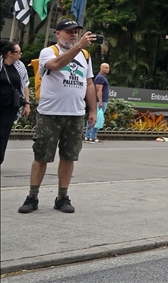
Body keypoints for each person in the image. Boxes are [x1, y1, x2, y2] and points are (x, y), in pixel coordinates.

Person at [18, 18, 97, 214]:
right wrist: (78, 47)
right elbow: (55, 65)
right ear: (58, 33)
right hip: (50, 114)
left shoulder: (85, 56)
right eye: (69, 31)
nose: (73, 35)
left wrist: (93, 110)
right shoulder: (48, 52)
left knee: (69, 157)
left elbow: (88, 83)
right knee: (41, 155)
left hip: (75, 114)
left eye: (75, 32)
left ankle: (62, 197)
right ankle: (32, 196)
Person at [1, 40, 31, 165]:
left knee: (3, 133)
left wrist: (27, 103)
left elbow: (25, 85)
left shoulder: (19, 66)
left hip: (11, 106)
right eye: (18, 52)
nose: (20, 54)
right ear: (9, 53)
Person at [85, 63, 110, 143]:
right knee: (96, 118)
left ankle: (90, 136)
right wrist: (100, 101)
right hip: (99, 101)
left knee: (96, 118)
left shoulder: (102, 77)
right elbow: (99, 90)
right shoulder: (100, 78)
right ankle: (90, 136)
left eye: (108, 68)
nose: (107, 69)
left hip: (101, 101)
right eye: (105, 67)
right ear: (101, 68)